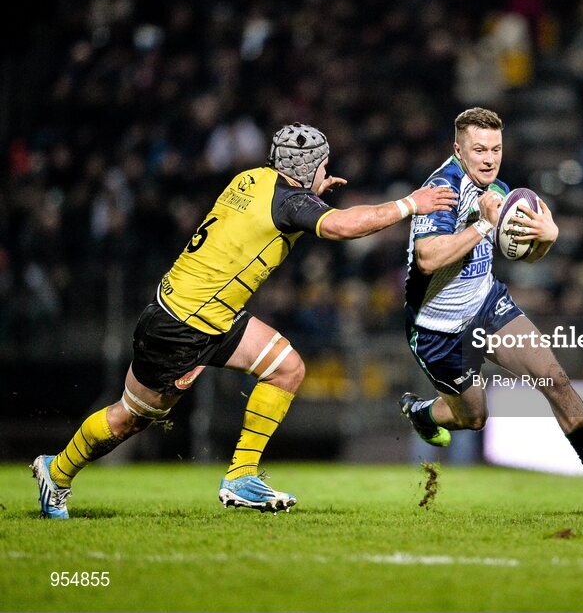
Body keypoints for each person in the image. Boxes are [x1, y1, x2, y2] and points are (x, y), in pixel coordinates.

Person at [32, 123, 458, 519]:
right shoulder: (291, 202)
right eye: (322, 166)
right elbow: (342, 226)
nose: (328, 172)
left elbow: (286, 208)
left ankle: (241, 476)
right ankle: (58, 471)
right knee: (131, 418)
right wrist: (410, 204)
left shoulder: (251, 179)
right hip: (182, 325)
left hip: (207, 312)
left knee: (286, 368)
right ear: (307, 168)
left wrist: (312, 190)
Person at [397, 107, 583, 517]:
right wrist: (482, 227)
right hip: (437, 328)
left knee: (556, 379)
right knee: (474, 419)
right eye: (479, 150)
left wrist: (548, 237)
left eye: (496, 148)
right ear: (458, 149)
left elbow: (524, 254)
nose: (490, 158)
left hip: (487, 307)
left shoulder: (499, 191)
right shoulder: (442, 189)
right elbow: (426, 258)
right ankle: (423, 411)